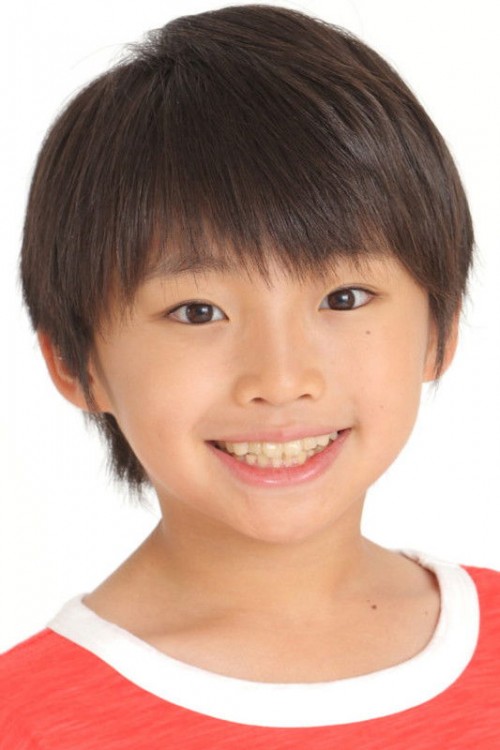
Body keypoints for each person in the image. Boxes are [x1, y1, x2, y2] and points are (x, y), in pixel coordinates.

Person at [1, 4, 498, 747]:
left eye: (344, 298)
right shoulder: (25, 721)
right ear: (77, 365)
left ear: (441, 330)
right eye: (197, 311)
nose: (281, 378)